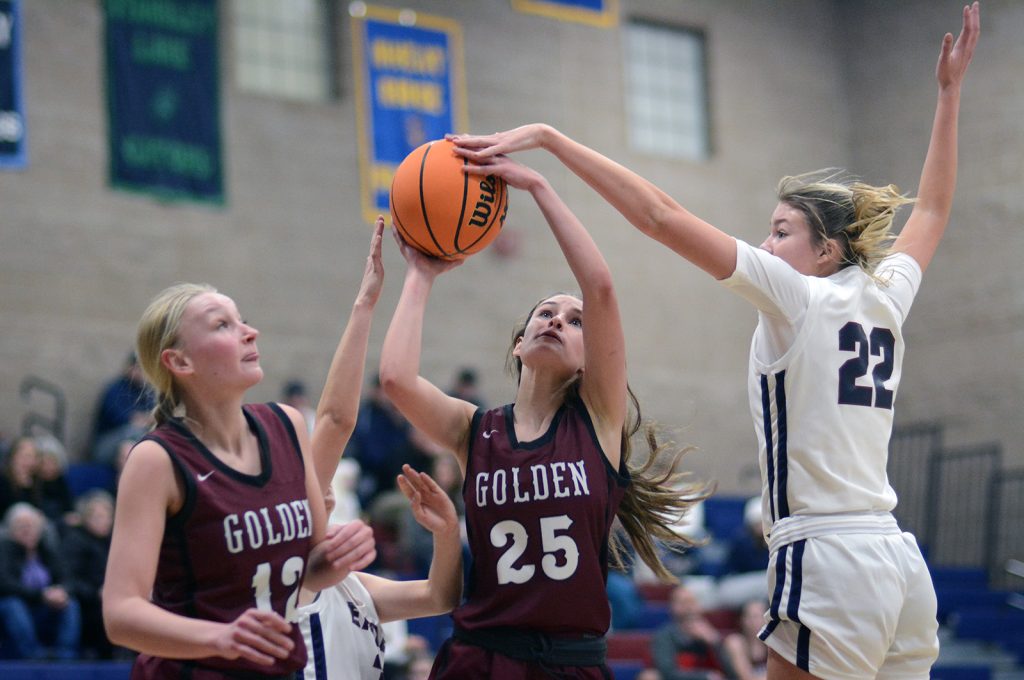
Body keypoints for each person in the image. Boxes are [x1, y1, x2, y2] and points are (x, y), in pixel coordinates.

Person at [447, 5, 980, 677]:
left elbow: (659, 215)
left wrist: (554, 140)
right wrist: (949, 94)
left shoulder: (797, 295)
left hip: (828, 556)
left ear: (825, 250)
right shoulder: (885, 296)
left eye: (781, 230)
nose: (766, 243)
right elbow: (931, 211)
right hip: (899, 564)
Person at [379, 152, 707, 678]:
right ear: (519, 343)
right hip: (481, 657)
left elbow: (599, 286)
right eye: (546, 313)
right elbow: (395, 378)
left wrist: (537, 185)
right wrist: (420, 274)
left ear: (587, 358)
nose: (558, 320)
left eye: (576, 322)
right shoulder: (475, 429)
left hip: (568, 663)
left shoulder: (598, 421)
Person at [102, 236, 380, 677]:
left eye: (243, 320)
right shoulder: (157, 460)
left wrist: (339, 556)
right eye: (222, 326)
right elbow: (120, 615)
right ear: (180, 362)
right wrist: (219, 637)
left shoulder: (286, 425)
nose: (250, 332)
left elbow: (308, 570)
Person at [292, 217, 463, 680]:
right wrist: (365, 304)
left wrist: (447, 532)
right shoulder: (291, 583)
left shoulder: (352, 588)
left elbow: (438, 598)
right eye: (313, 487)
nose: (323, 489)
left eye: (326, 488)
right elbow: (335, 421)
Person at [0, 502, 81, 660]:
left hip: (45, 606)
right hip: (18, 606)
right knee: (13, 605)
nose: (27, 531)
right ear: (10, 530)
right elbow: (4, 583)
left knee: (70, 604)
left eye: (31, 526)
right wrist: (42, 594)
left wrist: (62, 591)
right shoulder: (3, 550)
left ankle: (66, 656)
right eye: (22, 526)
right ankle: (32, 654)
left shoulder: (47, 550)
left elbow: (68, 578)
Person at [62, 490, 116, 659]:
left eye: (106, 516)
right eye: (97, 517)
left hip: (113, 597)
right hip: (88, 602)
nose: (103, 522)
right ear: (85, 518)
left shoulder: (115, 540)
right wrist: (96, 592)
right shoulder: (75, 541)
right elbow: (70, 579)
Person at [649, 585, 730, 680]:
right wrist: (704, 677)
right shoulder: (664, 636)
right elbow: (668, 673)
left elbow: (731, 673)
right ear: (672, 607)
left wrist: (715, 642)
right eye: (683, 602)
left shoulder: (712, 634)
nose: (688, 607)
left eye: (691, 602)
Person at [89, 352, 155, 465]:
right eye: (140, 368)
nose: (143, 373)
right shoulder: (115, 389)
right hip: (104, 447)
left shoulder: (146, 392)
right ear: (130, 368)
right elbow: (122, 419)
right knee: (133, 432)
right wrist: (141, 420)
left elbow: (152, 419)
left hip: (131, 442)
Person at [722, 600, 769, 680]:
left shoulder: (774, 642)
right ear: (742, 620)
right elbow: (746, 677)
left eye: (760, 616)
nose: (756, 622)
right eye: (752, 617)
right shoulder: (735, 641)